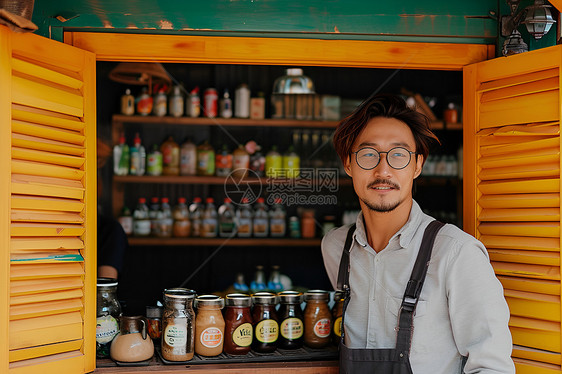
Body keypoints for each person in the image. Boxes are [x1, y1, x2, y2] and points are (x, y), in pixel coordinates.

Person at [321, 94, 514, 373]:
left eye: (399, 155)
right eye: (367, 154)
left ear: (417, 165)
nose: (383, 169)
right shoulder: (336, 248)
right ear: (348, 164)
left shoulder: (457, 254)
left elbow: (492, 367)